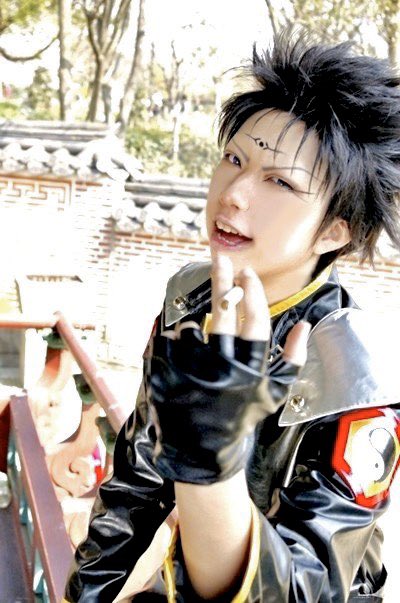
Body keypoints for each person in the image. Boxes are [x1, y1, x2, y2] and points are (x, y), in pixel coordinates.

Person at [64, 30, 400, 602]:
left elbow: (304, 589)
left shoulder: (358, 378)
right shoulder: (191, 297)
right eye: (234, 159)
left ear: (334, 230)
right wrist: (84, 594)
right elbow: (138, 480)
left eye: (280, 181)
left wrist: (207, 460)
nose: (234, 193)